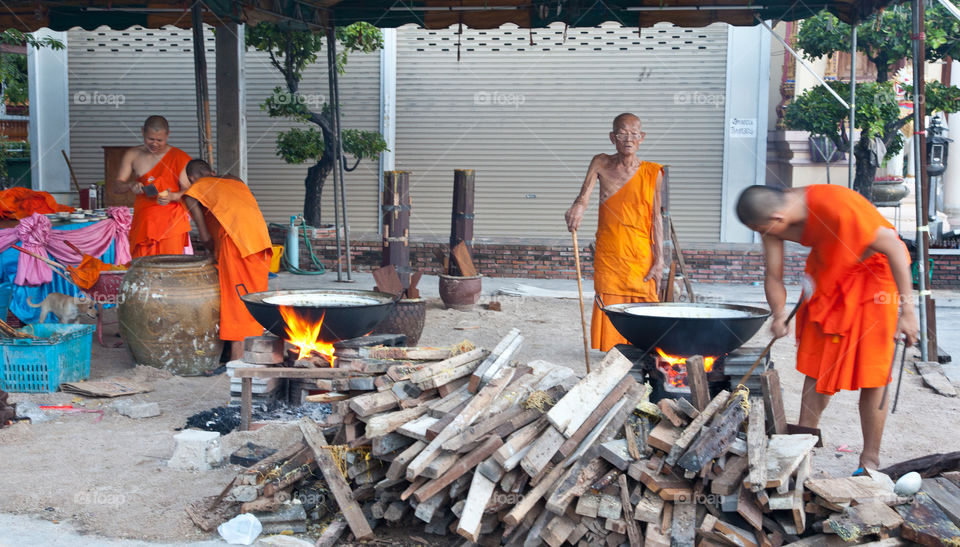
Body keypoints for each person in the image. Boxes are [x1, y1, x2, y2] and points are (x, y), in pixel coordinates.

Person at [735, 184, 920, 473]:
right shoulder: (771, 220)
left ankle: (869, 460)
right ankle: (802, 448)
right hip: (828, 272)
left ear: (778, 218)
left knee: (873, 374)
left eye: (763, 230)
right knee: (818, 367)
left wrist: (907, 312)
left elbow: (895, 247)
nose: (764, 235)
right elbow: (773, 275)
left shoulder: (835, 206)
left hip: (873, 276)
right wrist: (779, 315)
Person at [565, 113, 664, 351]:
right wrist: (578, 208)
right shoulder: (600, 163)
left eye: (634, 134)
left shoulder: (653, 172)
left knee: (645, 301)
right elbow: (584, 196)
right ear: (612, 138)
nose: (628, 139)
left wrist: (660, 259)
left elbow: (656, 218)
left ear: (642, 137)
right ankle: (614, 352)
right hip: (610, 250)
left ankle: (644, 350)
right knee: (609, 299)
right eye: (622, 134)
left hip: (640, 253)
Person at [183, 160, 273, 360]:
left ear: (191, 178)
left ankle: (236, 358)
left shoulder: (193, 191)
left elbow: (205, 237)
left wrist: (211, 252)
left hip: (236, 243)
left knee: (236, 298)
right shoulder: (235, 180)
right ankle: (247, 350)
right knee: (253, 295)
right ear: (212, 172)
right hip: (260, 240)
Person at [115, 115, 193, 258]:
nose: (155, 144)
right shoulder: (133, 155)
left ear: (168, 135)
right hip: (145, 221)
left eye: (160, 140)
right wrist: (131, 185)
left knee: (170, 265)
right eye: (150, 139)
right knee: (143, 265)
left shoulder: (179, 157)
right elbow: (117, 186)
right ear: (142, 132)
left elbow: (189, 191)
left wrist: (172, 196)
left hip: (171, 223)